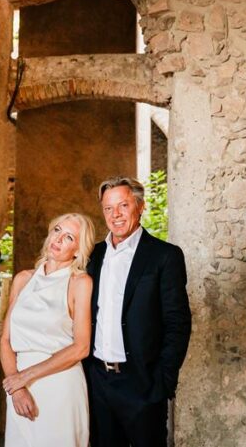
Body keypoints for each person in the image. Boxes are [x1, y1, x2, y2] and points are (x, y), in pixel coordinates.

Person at [85, 176, 192, 447]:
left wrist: (162, 383)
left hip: (142, 384)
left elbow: (177, 322)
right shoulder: (92, 256)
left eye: (123, 205)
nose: (115, 215)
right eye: (108, 208)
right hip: (97, 382)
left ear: (140, 206)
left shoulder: (164, 256)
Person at [0, 212, 97, 447]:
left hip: (60, 385)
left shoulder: (80, 283)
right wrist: (17, 388)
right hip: (19, 388)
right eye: (57, 231)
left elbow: (81, 348)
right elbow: (5, 340)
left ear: (78, 250)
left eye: (69, 237)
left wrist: (26, 377)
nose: (59, 239)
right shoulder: (23, 279)